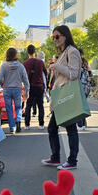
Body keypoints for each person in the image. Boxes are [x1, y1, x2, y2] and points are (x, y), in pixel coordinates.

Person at [41, 25, 82, 171]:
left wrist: (56, 66)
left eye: (57, 36)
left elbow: (74, 74)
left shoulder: (72, 51)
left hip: (67, 95)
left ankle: (72, 160)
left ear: (65, 35)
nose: (55, 40)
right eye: (53, 37)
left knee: (70, 128)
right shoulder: (65, 52)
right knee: (52, 127)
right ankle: (55, 157)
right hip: (61, 96)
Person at [0, 47, 30, 134]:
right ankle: (18, 121)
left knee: (9, 108)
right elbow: (26, 80)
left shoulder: (4, 66)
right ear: (16, 55)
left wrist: (3, 83)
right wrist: (27, 91)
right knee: (18, 107)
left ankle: (12, 127)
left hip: (7, 89)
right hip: (17, 89)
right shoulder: (20, 66)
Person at [22, 44, 47, 130]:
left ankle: (27, 125)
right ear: (35, 52)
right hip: (39, 86)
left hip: (29, 87)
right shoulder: (41, 62)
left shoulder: (24, 63)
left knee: (28, 106)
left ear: (27, 52)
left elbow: (22, 76)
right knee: (40, 106)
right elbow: (45, 73)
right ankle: (41, 124)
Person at [76, 48, 91, 130]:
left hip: (80, 86)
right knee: (82, 105)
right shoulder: (86, 62)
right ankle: (84, 124)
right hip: (86, 87)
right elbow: (90, 74)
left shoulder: (78, 63)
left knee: (79, 106)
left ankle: (80, 124)